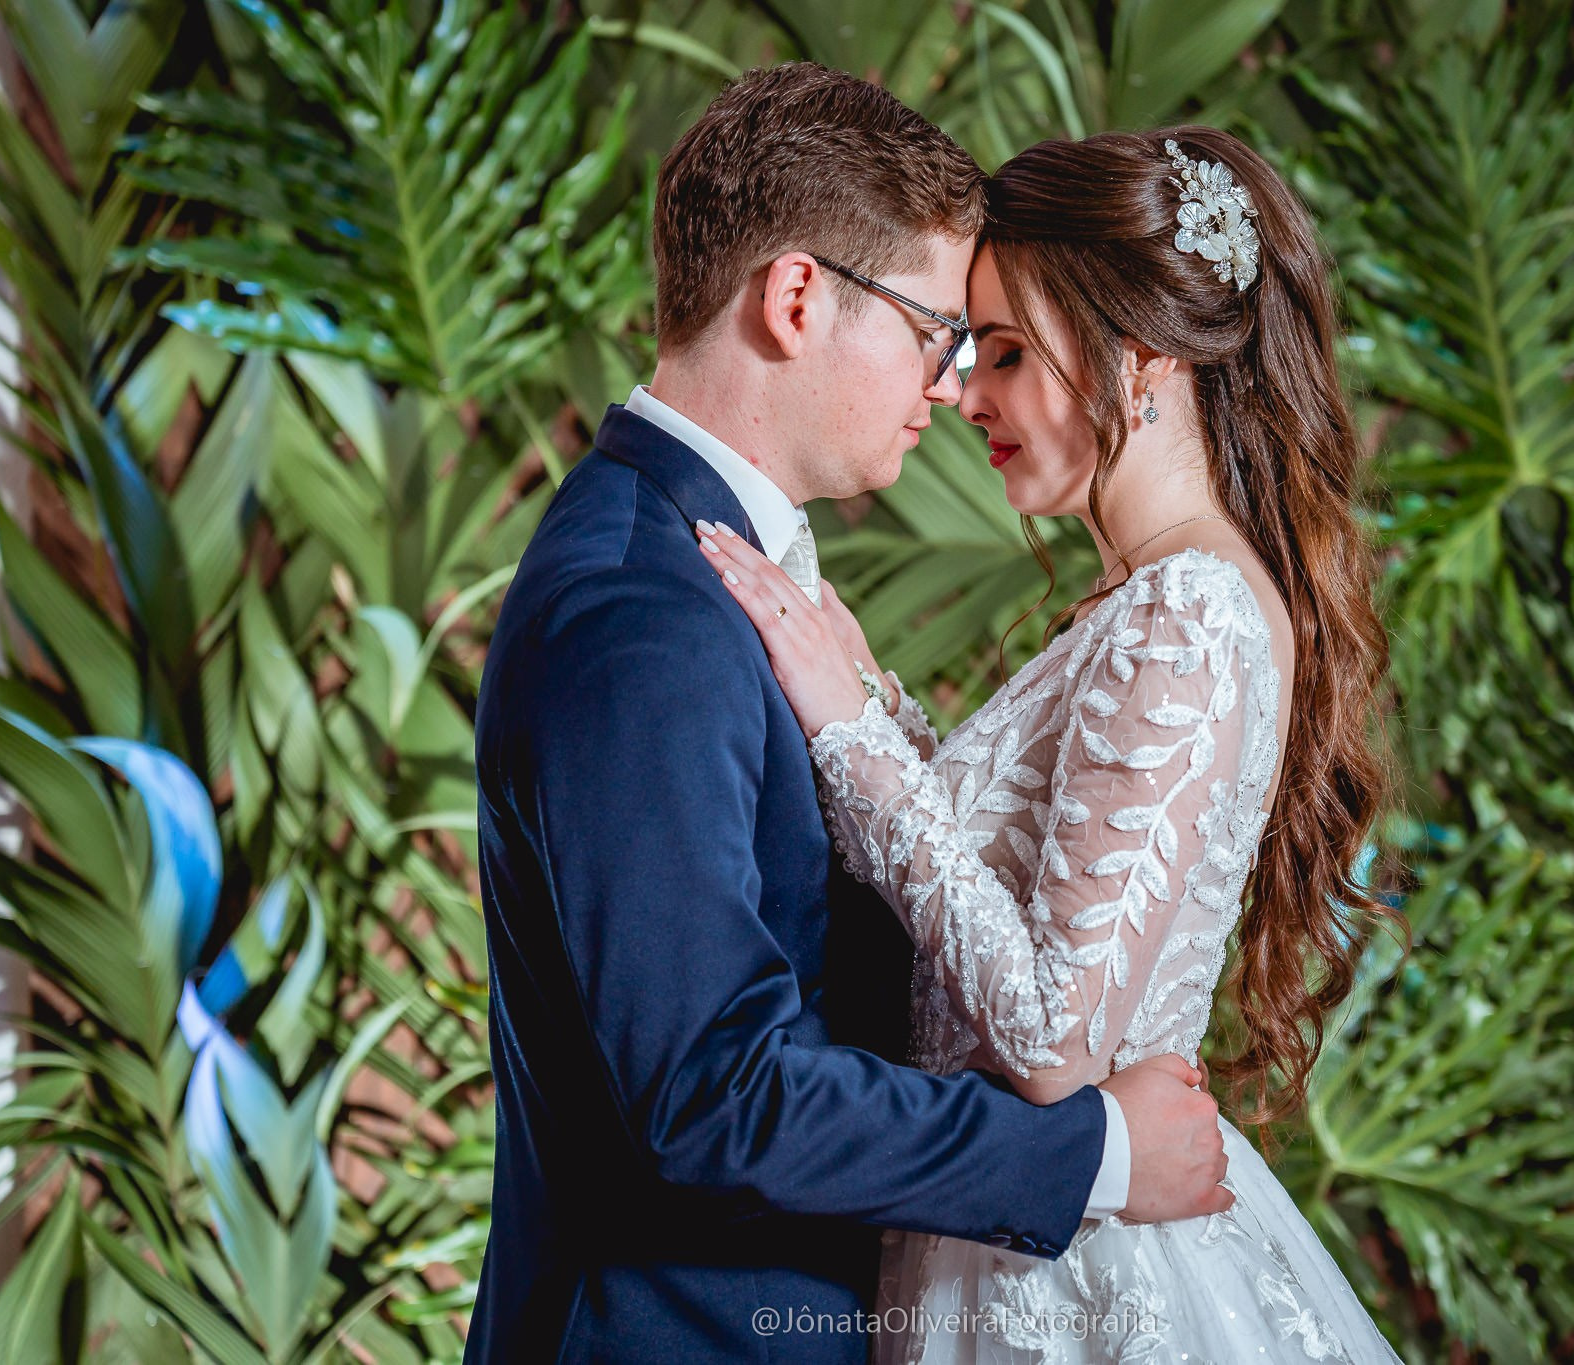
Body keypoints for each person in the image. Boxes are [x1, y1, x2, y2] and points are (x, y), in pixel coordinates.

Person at [466, 66, 1235, 1364]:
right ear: (799, 296)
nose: (950, 385)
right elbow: (717, 1093)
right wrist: (1090, 1152)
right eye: (938, 328)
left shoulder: (713, 563)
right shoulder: (638, 615)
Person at [700, 126, 1406, 1362]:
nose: (964, 394)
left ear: (1135, 354)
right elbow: (1025, 885)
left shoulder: (1185, 615)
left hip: (1072, 1264)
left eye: (1007, 354)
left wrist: (851, 732)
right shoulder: (1165, 596)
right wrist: (877, 699)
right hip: (1011, 1231)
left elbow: (1052, 1043)